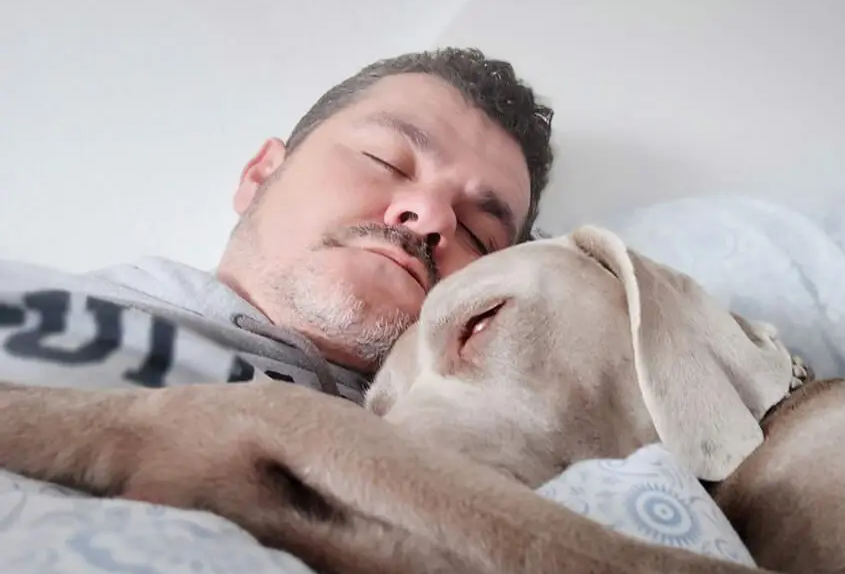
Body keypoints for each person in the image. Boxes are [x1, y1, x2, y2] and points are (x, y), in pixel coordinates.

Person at [0, 48, 554, 403]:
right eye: (387, 162)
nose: (433, 219)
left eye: (480, 236)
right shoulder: (39, 316)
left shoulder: (471, 458)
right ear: (261, 173)